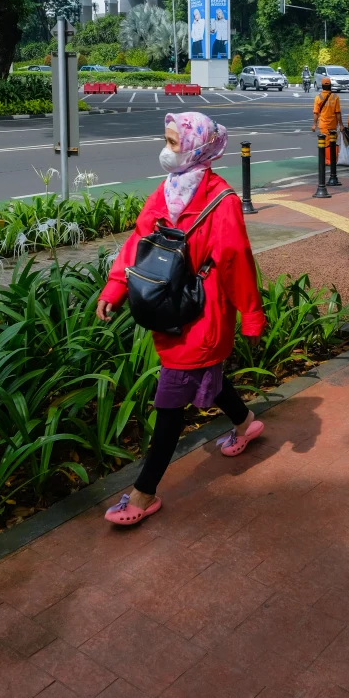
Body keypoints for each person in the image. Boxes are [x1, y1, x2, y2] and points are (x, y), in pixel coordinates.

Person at [98, 112, 266, 526]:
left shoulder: (221, 201)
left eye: (173, 142)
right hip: (169, 307)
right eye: (167, 140)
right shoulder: (168, 190)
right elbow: (140, 241)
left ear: (197, 147)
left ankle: (143, 493)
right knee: (206, 375)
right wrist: (115, 287)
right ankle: (246, 423)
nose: (166, 150)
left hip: (202, 314)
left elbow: (236, 263)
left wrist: (252, 317)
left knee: (170, 401)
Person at [312, 75, 342, 165]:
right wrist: (341, 125)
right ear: (330, 86)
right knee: (334, 141)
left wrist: (314, 124)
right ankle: (334, 159)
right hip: (333, 124)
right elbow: (338, 113)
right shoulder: (335, 97)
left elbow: (316, 113)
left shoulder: (318, 97)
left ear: (322, 86)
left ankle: (329, 160)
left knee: (325, 143)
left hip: (323, 124)